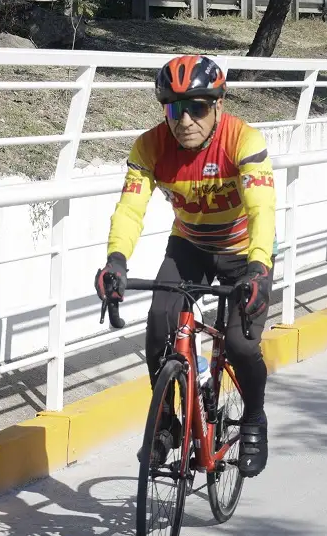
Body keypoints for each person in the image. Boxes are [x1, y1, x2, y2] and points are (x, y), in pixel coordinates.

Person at [94, 54, 276, 478]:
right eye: (175, 108)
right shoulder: (150, 146)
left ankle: (253, 417)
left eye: (198, 106)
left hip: (243, 252)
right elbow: (130, 209)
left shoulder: (243, 140)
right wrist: (116, 260)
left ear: (218, 106)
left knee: (243, 344)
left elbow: (262, 209)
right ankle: (168, 423)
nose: (185, 120)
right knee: (160, 324)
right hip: (190, 246)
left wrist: (259, 269)